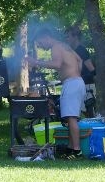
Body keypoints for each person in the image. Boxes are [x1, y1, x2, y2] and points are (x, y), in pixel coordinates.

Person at [27, 27, 84, 159]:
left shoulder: (55, 47)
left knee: (71, 118)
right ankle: (71, 149)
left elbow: (57, 64)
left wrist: (36, 62)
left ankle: (77, 151)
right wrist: (76, 75)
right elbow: (80, 60)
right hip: (76, 82)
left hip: (72, 84)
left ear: (45, 37)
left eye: (40, 43)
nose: (40, 47)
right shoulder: (64, 45)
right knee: (71, 119)